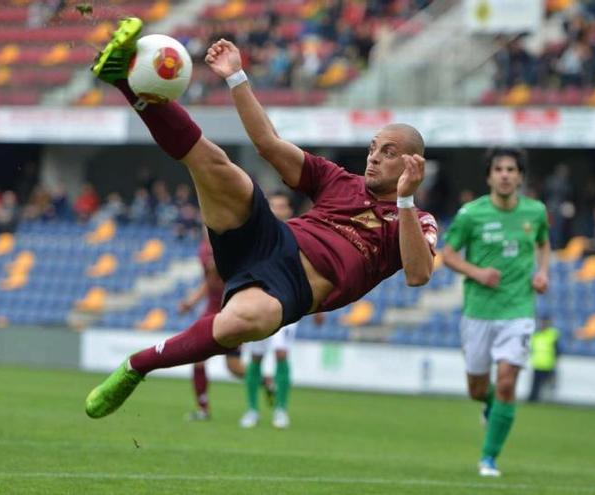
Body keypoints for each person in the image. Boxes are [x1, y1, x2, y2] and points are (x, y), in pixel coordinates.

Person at [84, 19, 437, 422]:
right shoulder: (338, 179)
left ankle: (136, 366)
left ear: (412, 162)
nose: (373, 156)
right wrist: (236, 75)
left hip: (291, 286)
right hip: (269, 239)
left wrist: (406, 197)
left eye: (388, 152)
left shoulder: (416, 218)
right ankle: (125, 80)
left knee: (249, 320)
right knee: (217, 165)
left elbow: (418, 273)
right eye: (373, 147)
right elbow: (268, 142)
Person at [442, 147, 550, 477]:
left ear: (520, 176)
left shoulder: (536, 212)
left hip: (518, 310)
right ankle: (490, 405)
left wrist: (543, 272)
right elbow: (447, 254)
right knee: (478, 389)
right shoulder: (470, 214)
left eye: (512, 169)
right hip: (478, 311)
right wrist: (477, 273)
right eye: (499, 169)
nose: (505, 174)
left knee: (506, 383)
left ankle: (488, 458)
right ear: (489, 175)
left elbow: (544, 243)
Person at [238, 192, 324, 430]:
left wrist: (319, 308)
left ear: (288, 210)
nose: (277, 210)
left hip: (289, 304)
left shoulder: (299, 236)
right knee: (255, 356)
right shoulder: (257, 237)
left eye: (281, 206)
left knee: (281, 353)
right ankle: (252, 410)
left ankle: (280, 410)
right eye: (272, 206)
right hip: (259, 302)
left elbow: (310, 270)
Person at [177, 229, 247, 421]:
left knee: (234, 368)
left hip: (231, 310)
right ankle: (203, 408)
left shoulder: (234, 247)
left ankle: (265, 382)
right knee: (197, 358)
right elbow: (209, 283)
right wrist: (190, 302)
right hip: (210, 312)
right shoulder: (204, 249)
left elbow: (225, 275)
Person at [528, 314, 561, 403]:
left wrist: (555, 361)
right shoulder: (536, 335)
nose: (543, 324)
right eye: (542, 322)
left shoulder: (553, 334)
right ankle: (533, 400)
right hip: (537, 364)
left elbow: (557, 350)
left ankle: (548, 402)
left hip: (548, 364)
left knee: (549, 386)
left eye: (545, 322)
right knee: (535, 385)